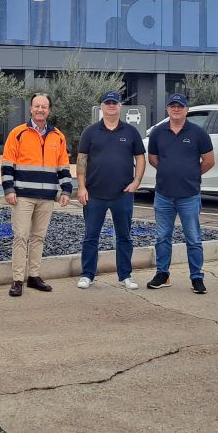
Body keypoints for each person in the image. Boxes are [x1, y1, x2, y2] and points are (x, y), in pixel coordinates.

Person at [0, 93, 72, 297]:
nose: (40, 110)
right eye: (37, 106)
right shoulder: (18, 133)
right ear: (30, 109)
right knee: (21, 237)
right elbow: (7, 164)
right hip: (22, 196)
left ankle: (33, 276)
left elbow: (63, 167)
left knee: (38, 237)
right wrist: (9, 190)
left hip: (47, 197)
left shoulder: (58, 136)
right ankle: (17, 280)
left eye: (44, 106)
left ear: (49, 110)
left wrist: (66, 190)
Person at [144, 93, 215, 294]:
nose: (176, 109)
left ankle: (197, 278)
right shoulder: (158, 132)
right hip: (164, 195)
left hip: (189, 196)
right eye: (172, 106)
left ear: (186, 110)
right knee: (162, 237)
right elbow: (153, 158)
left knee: (193, 238)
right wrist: (169, 172)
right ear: (167, 109)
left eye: (180, 106)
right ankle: (162, 274)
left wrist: (192, 174)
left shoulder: (198, 133)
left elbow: (209, 161)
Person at [76, 90, 146, 291]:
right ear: (102, 107)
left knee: (124, 237)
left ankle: (125, 275)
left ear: (120, 106)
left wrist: (137, 181)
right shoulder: (90, 132)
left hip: (123, 195)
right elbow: (82, 160)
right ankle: (87, 275)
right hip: (94, 194)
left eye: (114, 103)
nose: (111, 106)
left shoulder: (130, 132)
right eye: (107, 103)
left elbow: (140, 157)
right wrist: (81, 187)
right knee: (91, 237)